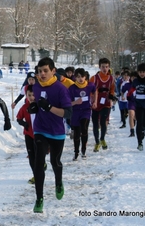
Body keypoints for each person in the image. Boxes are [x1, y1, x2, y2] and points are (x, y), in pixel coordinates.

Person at [28, 57, 72, 213]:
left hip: (57, 132)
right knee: (38, 162)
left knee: (55, 161)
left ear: (53, 71)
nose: (42, 74)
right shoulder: (37, 86)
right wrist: (34, 107)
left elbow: (67, 113)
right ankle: (39, 198)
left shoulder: (61, 89)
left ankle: (58, 182)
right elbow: (38, 104)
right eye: (40, 71)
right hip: (40, 128)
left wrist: (49, 107)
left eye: (45, 71)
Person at [68, 68, 96, 160]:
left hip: (86, 110)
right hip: (75, 112)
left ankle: (83, 150)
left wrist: (94, 101)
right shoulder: (71, 88)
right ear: (75, 77)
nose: (80, 79)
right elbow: (68, 103)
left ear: (85, 77)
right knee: (76, 134)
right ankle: (76, 152)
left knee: (84, 128)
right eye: (78, 77)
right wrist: (75, 102)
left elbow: (95, 90)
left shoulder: (89, 85)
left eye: (82, 76)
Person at [89, 58, 116, 152]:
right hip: (95, 104)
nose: (105, 69)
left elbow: (112, 88)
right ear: (99, 67)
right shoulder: (94, 78)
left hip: (106, 103)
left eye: (107, 67)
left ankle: (102, 138)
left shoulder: (111, 78)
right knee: (95, 124)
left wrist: (112, 95)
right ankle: (97, 142)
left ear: (109, 67)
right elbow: (89, 90)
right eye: (103, 67)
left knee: (103, 121)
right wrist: (93, 98)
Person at [16, 84, 37, 184]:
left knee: (39, 155)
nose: (32, 97)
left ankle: (40, 169)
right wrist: (25, 124)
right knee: (31, 156)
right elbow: (18, 118)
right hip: (29, 134)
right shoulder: (25, 107)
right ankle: (35, 175)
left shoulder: (40, 106)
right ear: (26, 96)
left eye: (33, 95)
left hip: (40, 135)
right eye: (29, 95)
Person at [124, 71, 137, 137]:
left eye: (135, 78)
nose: (134, 79)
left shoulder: (140, 85)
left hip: (139, 103)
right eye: (132, 78)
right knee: (131, 114)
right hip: (131, 102)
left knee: (137, 117)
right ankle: (132, 131)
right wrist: (123, 95)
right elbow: (122, 90)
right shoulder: (128, 85)